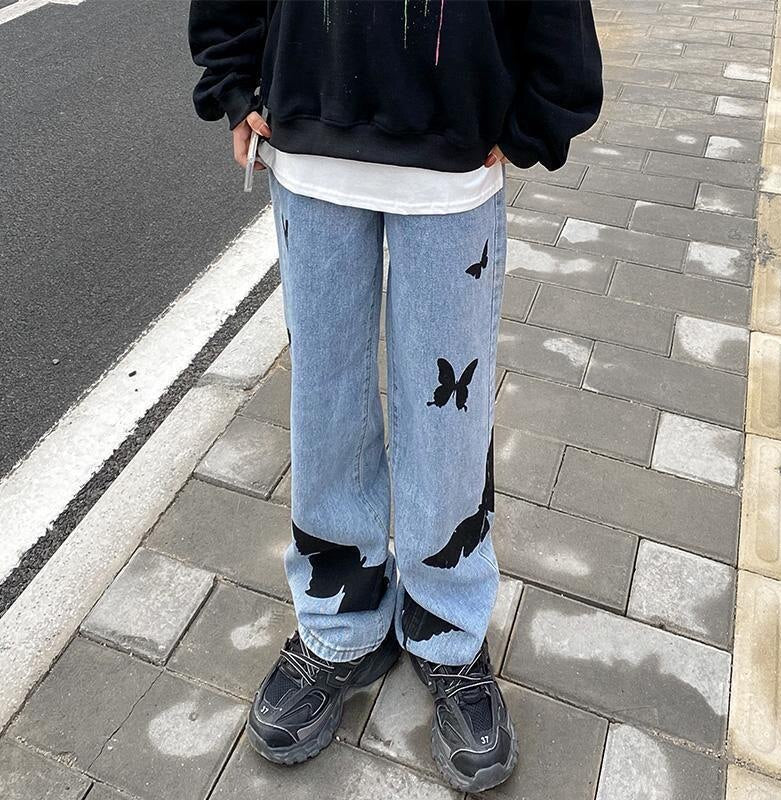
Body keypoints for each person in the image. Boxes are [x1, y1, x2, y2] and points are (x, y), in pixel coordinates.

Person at [188, 1, 602, 791]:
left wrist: (539, 111)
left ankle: (447, 627)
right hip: (308, 142)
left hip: (452, 157)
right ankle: (338, 616)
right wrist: (234, 81)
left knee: (448, 423)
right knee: (325, 407)